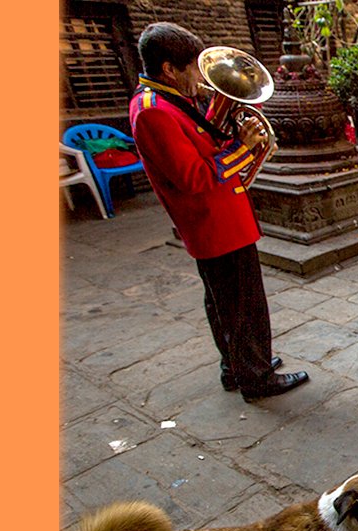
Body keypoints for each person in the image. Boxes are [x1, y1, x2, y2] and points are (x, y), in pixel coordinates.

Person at [128, 22, 308, 402]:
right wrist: (243, 147)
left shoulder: (168, 99)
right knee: (243, 305)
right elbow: (194, 177)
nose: (199, 76)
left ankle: (238, 365)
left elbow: (203, 148)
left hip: (222, 217)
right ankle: (256, 378)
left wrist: (228, 133)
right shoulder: (152, 111)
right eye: (192, 67)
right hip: (213, 222)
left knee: (225, 301)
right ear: (168, 69)